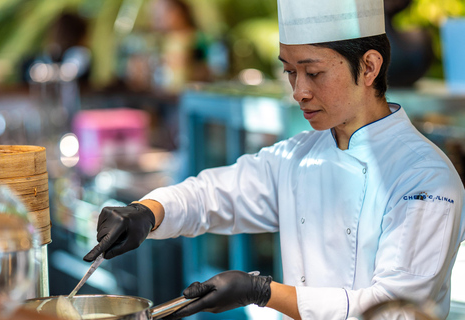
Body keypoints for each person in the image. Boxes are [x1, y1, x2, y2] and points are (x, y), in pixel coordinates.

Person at [83, 0, 465, 319]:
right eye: (289, 72)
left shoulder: (425, 179)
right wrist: (148, 212)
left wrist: (261, 291)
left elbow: (393, 311)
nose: (299, 91)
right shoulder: (299, 156)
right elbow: (215, 193)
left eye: (313, 72)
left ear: (368, 66)